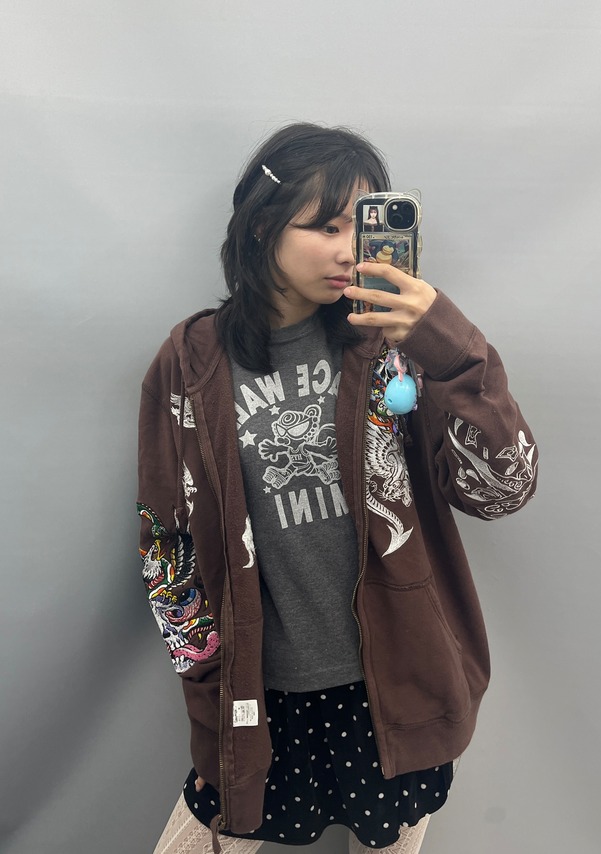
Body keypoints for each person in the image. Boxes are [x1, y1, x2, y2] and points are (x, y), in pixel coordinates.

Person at [137, 123, 538, 854]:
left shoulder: (391, 347)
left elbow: (503, 488)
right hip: (258, 694)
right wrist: (206, 679)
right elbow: (165, 541)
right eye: (326, 226)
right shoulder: (192, 360)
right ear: (263, 226)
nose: (351, 250)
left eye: (363, 224)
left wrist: (450, 347)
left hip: (396, 681)